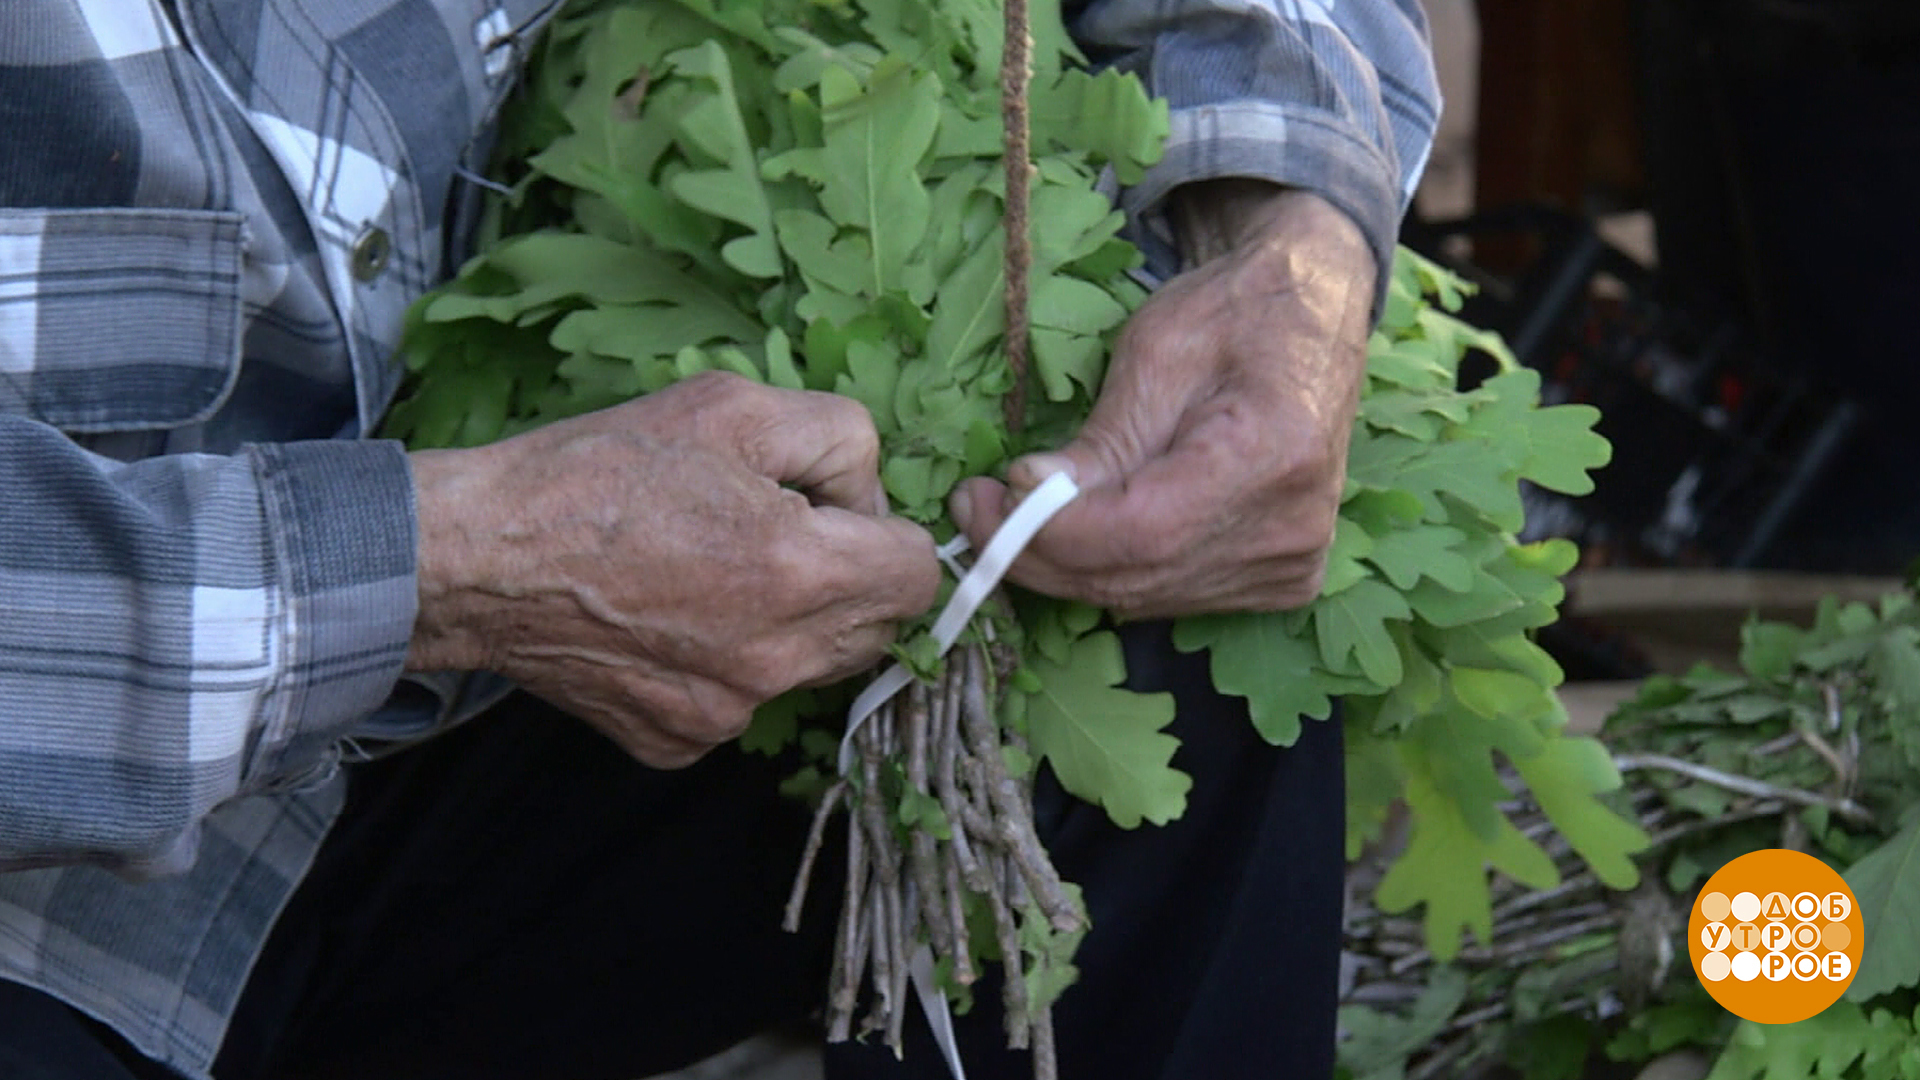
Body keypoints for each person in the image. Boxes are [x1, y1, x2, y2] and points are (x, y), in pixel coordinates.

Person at [0, 1, 1438, 1078]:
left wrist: (1293, 234)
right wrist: (456, 565)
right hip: (50, 879)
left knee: (1186, 633)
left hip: (394, 758)